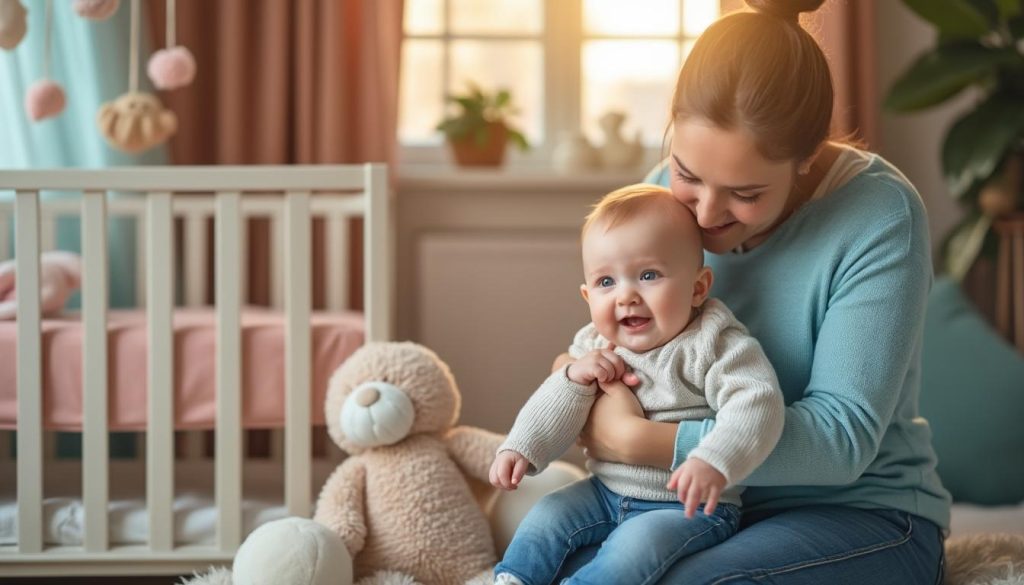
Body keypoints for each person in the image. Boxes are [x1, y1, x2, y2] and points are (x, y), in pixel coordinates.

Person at [555, 1, 952, 583]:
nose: (707, 214)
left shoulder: (880, 214)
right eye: (688, 173)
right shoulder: (660, 195)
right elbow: (610, 341)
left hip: (862, 515)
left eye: (745, 192)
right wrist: (575, 375)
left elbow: (842, 439)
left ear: (806, 159)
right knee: (557, 556)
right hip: (706, 509)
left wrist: (636, 438)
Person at [490, 184, 785, 585]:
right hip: (603, 490)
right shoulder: (596, 343)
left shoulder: (714, 342)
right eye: (606, 282)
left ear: (697, 287)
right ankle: (514, 579)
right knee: (547, 515)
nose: (626, 296)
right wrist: (523, 442)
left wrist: (714, 459)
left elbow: (757, 404)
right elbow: (558, 400)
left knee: (632, 551)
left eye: (648, 275)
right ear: (587, 294)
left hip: (687, 506)